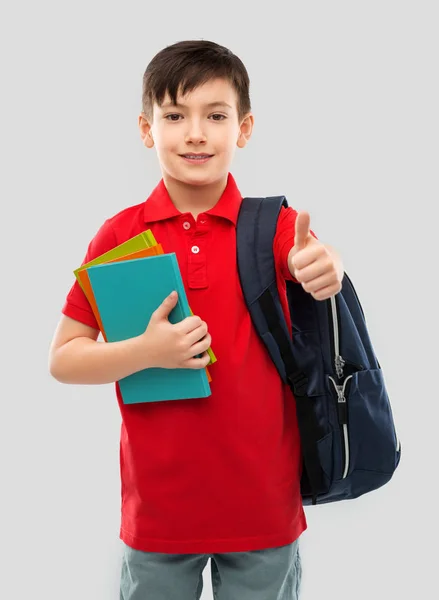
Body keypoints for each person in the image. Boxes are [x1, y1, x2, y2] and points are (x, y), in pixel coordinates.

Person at [49, 39, 344, 600]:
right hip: (159, 512)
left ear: (244, 128)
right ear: (146, 128)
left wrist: (325, 263)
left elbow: (314, 255)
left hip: (262, 503)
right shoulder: (120, 237)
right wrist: (147, 352)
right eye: (175, 116)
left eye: (216, 115)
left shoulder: (269, 225)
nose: (195, 133)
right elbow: (64, 358)